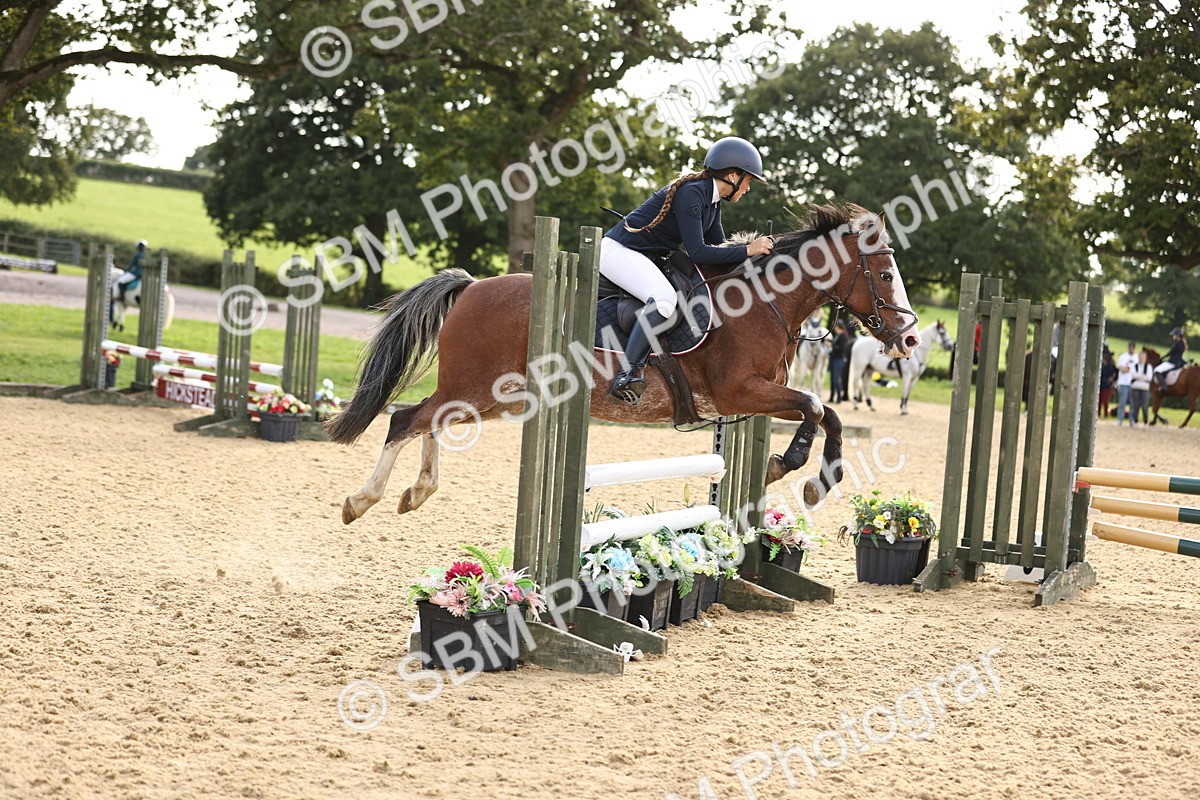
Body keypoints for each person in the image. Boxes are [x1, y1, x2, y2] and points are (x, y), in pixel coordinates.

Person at [601, 137, 775, 404]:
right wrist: (748, 250)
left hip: (642, 256)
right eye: (748, 181)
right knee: (665, 299)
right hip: (618, 252)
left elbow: (719, 247)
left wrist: (754, 260)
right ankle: (627, 374)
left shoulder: (712, 200)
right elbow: (698, 252)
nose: (749, 188)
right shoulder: (692, 193)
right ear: (732, 176)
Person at [1115, 341, 1138, 425]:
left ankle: (1132, 420)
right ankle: (1120, 419)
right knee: (1122, 403)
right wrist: (1129, 369)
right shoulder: (1123, 357)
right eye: (1130, 347)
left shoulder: (1137, 357)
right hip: (1123, 382)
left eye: (1133, 348)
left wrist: (1128, 369)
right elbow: (1122, 369)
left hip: (1133, 383)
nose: (1131, 349)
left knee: (1133, 404)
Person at [1129, 350, 1154, 427]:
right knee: (1135, 405)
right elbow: (1132, 375)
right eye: (1140, 357)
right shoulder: (1134, 365)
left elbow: (1149, 377)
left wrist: (1138, 376)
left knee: (1144, 405)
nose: (1141, 358)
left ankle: (1145, 422)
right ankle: (1135, 421)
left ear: (1145, 358)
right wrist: (1142, 375)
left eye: (1143, 357)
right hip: (1135, 387)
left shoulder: (1148, 366)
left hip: (1144, 388)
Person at [828, 320, 850, 403]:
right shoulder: (838, 335)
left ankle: (839, 397)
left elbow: (841, 349)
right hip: (834, 359)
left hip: (839, 359)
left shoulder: (843, 336)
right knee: (832, 379)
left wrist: (832, 345)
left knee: (836, 379)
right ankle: (832, 396)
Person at [1098, 346, 1117, 418]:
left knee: (1105, 400)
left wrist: (1112, 378)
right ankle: (1098, 413)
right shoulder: (1101, 364)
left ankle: (1105, 413)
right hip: (1100, 383)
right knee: (1099, 400)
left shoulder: (1111, 365)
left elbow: (1116, 373)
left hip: (1107, 384)